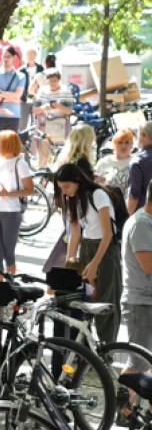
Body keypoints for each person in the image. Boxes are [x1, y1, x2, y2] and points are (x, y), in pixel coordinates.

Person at [61, 163, 123, 343]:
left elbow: (107, 234)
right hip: (86, 247)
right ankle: (85, 351)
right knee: (83, 301)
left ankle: (106, 351)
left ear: (78, 181)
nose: (64, 191)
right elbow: (75, 233)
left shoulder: (98, 195)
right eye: (61, 188)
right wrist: (70, 264)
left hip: (104, 249)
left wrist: (95, 263)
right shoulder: (73, 199)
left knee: (105, 302)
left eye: (67, 186)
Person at [0, 130, 34, 279]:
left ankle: (9, 288)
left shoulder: (20, 163)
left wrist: (6, 193)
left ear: (7, 145)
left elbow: (30, 190)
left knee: (8, 253)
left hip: (11, 212)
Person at [124, 189, 152, 375]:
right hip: (141, 304)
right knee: (138, 365)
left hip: (145, 302)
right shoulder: (141, 223)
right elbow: (148, 265)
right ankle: (121, 404)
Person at [33, 68, 73, 167]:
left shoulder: (66, 90)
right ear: (46, 80)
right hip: (44, 124)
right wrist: (44, 107)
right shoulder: (42, 90)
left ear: (59, 79)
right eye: (50, 80)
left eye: (55, 80)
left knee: (60, 155)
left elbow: (69, 111)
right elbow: (35, 110)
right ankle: (43, 176)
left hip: (60, 125)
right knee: (43, 155)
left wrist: (60, 107)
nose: (53, 83)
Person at [0, 47, 27, 140]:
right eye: (4, 56)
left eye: (8, 56)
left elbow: (18, 95)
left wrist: (0, 93)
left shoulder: (21, 76)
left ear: (14, 57)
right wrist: (12, 97)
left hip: (14, 115)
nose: (6, 59)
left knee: (11, 147)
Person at [97, 128, 135, 196]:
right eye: (120, 142)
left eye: (127, 142)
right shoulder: (103, 162)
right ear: (114, 144)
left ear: (132, 145)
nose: (123, 146)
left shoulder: (136, 161)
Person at [127, 122, 152, 220]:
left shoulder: (138, 162)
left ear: (142, 136)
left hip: (145, 219)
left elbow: (134, 197)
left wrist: (125, 220)